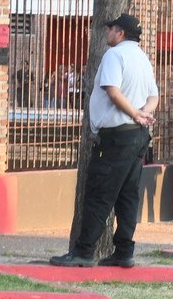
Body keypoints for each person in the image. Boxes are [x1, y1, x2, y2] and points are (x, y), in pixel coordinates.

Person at [50, 14, 160, 268]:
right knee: (127, 195)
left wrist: (134, 112)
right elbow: (154, 94)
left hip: (117, 135)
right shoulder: (142, 57)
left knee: (99, 194)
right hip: (137, 134)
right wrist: (144, 113)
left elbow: (112, 90)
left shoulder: (115, 56)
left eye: (110, 28)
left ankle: (84, 250)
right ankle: (124, 250)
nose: (107, 32)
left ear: (120, 33)